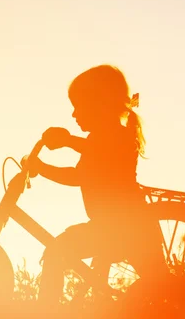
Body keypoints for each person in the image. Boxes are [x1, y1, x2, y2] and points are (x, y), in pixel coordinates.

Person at [32, 64, 167, 302]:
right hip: (117, 227)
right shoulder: (100, 137)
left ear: (100, 104)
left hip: (125, 228)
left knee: (57, 251)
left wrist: (67, 141)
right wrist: (42, 168)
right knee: (160, 287)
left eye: (78, 106)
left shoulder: (117, 136)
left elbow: (98, 153)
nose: (74, 114)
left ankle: (45, 317)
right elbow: (78, 175)